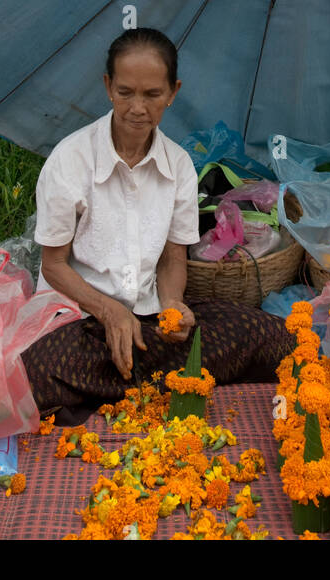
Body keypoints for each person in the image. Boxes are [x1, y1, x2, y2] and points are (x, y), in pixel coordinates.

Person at [19, 27, 295, 424]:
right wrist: (109, 312)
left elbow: (171, 259)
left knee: (263, 334)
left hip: (147, 322)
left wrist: (172, 305)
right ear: (108, 87)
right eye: (126, 92)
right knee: (41, 369)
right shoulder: (70, 160)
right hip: (79, 320)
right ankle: (136, 380)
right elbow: (54, 265)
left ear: (172, 92)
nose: (137, 108)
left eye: (152, 95)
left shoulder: (178, 164)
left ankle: (109, 389)